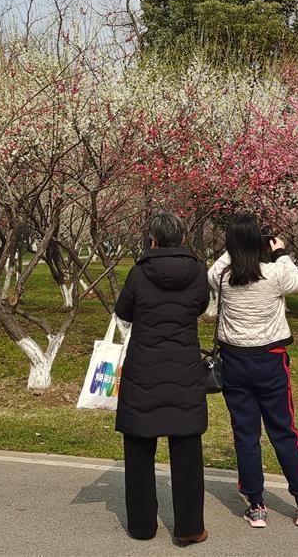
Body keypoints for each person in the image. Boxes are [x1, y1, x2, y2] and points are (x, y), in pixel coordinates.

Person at [208, 214, 298, 529]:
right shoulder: (273, 274)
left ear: (230, 246)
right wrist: (280, 250)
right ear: (259, 242)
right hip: (270, 362)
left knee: (246, 436)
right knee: (284, 432)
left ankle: (256, 506)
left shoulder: (223, 277)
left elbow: (212, 269)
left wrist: (238, 245)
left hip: (234, 363)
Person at [114, 210, 210, 545]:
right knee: (186, 448)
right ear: (183, 238)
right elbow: (200, 305)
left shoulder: (138, 274)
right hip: (184, 368)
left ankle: (142, 526)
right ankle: (189, 528)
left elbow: (124, 311)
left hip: (144, 369)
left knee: (139, 447)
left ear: (152, 239)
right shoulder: (198, 273)